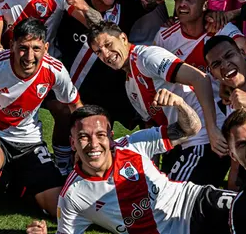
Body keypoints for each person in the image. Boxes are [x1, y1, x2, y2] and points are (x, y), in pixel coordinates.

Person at [26, 101, 234, 234]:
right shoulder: (72, 194)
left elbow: (191, 129)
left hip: (196, 199)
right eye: (83, 137)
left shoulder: (133, 144)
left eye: (100, 135)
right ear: (72, 142)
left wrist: (179, 104)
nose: (94, 144)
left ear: (110, 136)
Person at [49, 0, 164, 173]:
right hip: (80, 88)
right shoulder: (71, 2)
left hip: (117, 88)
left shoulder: (125, 5)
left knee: (150, 118)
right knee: (63, 111)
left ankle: (151, 173)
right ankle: (62, 167)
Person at [0, 19, 81, 217]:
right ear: (12, 45)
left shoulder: (55, 70)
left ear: (46, 48)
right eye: (23, 48)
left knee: (61, 210)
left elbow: (76, 106)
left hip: (29, 142)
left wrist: (82, 141)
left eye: (36, 48)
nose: (29, 56)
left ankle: (15, 184)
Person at [87, 21, 225, 180]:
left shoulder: (146, 57)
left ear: (123, 38)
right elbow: (152, 124)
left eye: (108, 44)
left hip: (203, 138)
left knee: (176, 200)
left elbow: (200, 79)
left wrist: (212, 129)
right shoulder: (129, 84)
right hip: (181, 142)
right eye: (98, 52)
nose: (105, 54)